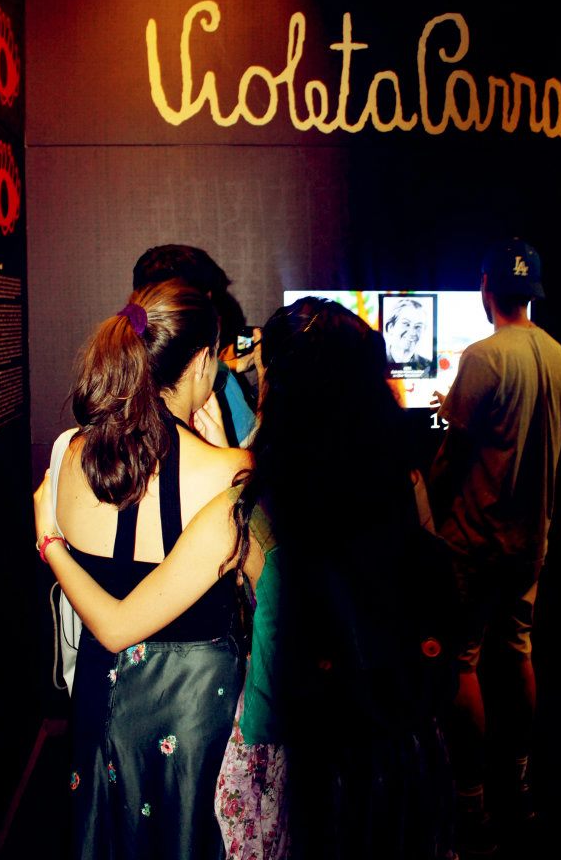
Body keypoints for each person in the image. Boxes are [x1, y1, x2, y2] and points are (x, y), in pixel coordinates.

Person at [34, 296, 461, 860]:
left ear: (278, 391)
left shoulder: (246, 503)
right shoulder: (404, 485)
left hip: (297, 751)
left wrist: (50, 544)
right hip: (398, 745)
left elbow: (118, 626)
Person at [45, 279, 251, 860]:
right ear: (203, 360)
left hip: (99, 696)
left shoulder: (71, 454)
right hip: (191, 715)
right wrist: (231, 452)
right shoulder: (229, 473)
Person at [427, 237, 561, 858]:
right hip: (532, 537)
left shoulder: (484, 356)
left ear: (486, 287)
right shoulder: (558, 353)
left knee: (463, 659)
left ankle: (472, 799)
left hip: (476, 538)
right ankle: (520, 781)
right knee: (519, 650)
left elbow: (456, 449)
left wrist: (427, 503)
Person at [133, 244, 257, 448]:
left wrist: (227, 364)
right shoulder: (220, 382)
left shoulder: (118, 378)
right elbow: (256, 452)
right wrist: (263, 373)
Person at [384, 297, 434, 377]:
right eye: (406, 324)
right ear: (390, 327)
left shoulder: (428, 366)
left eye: (418, 326)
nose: (412, 332)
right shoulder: (376, 361)